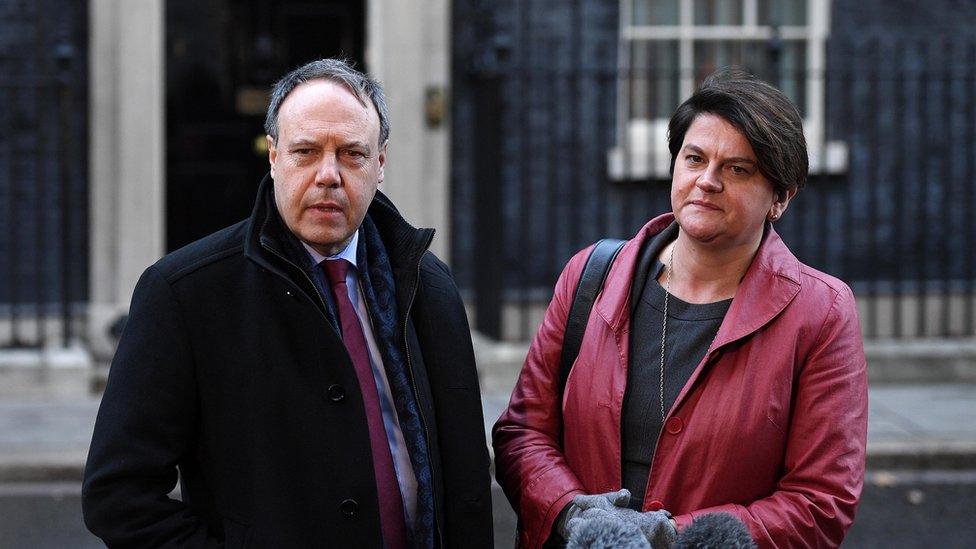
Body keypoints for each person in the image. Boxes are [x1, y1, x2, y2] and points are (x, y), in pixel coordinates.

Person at [83, 58, 492, 548]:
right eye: (306, 152)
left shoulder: (431, 285)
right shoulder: (184, 294)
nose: (328, 175)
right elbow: (119, 496)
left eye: (351, 154)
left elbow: (465, 481)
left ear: (381, 163)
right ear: (273, 156)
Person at [493, 67, 867, 548]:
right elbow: (522, 434)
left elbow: (821, 500)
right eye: (695, 158)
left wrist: (669, 537)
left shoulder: (820, 313)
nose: (707, 181)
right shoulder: (591, 276)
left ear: (781, 197)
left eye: (738, 169)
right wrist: (577, 516)